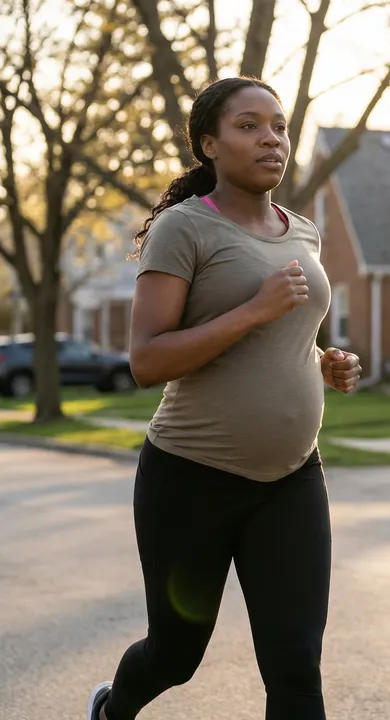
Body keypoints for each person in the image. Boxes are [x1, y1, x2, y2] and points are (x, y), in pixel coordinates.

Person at [87, 76, 361, 720]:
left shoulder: (304, 232)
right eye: (249, 126)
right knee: (175, 654)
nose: (271, 139)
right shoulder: (183, 229)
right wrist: (254, 310)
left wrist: (326, 362)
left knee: (296, 667)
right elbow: (148, 360)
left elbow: (291, 333)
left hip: (292, 478)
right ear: (209, 144)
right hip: (191, 478)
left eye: (279, 126)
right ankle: (113, 709)